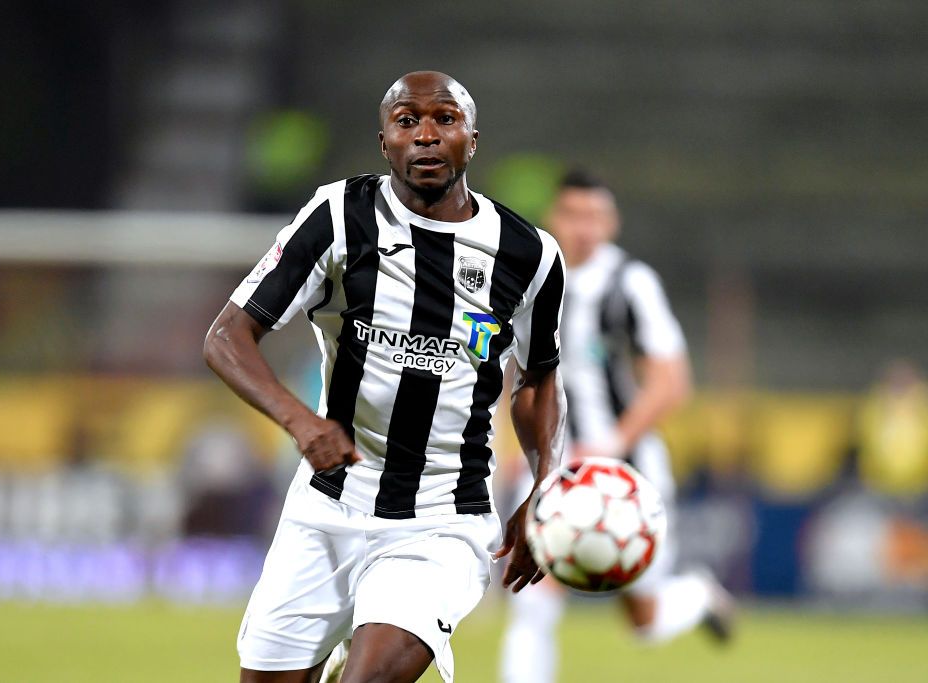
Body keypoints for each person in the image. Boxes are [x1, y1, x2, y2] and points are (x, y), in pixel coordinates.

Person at [204, 71, 567, 683]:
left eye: (444, 119)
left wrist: (545, 483)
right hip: (326, 508)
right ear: (384, 142)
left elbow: (538, 380)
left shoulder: (528, 254)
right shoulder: (339, 216)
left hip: (441, 519)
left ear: (472, 139)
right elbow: (226, 337)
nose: (426, 134)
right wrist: (301, 422)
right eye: (407, 121)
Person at [499, 170, 734, 683]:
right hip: (552, 462)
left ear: (612, 223)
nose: (584, 228)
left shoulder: (631, 283)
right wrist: (512, 448)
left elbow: (672, 382)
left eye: (595, 217)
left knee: (643, 621)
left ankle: (697, 596)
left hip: (626, 468)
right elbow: (512, 370)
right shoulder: (526, 276)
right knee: (532, 597)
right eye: (573, 215)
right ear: (553, 218)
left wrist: (612, 442)